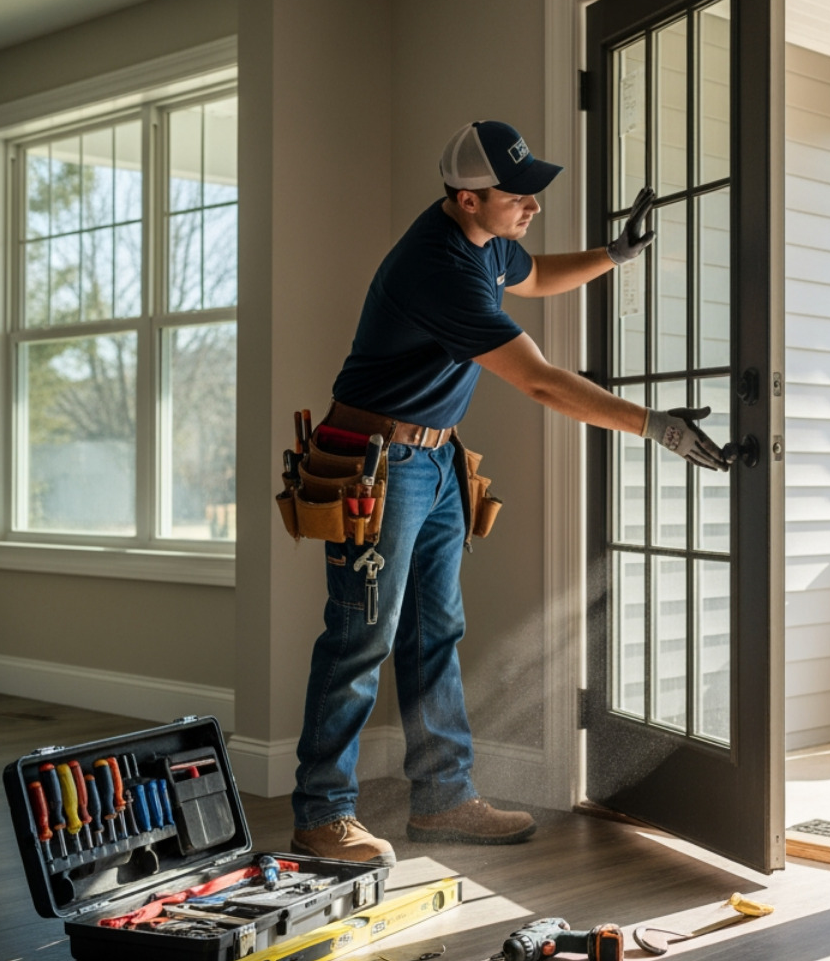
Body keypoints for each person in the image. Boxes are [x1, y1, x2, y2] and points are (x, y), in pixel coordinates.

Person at [290, 120, 729, 865]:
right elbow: (540, 380)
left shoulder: (482, 242)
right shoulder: (437, 266)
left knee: (435, 633)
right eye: (516, 196)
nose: (530, 206)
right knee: (360, 635)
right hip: (374, 464)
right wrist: (653, 425)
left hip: (432, 463)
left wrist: (613, 256)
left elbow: (533, 274)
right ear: (466, 197)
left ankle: (442, 800)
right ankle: (320, 814)